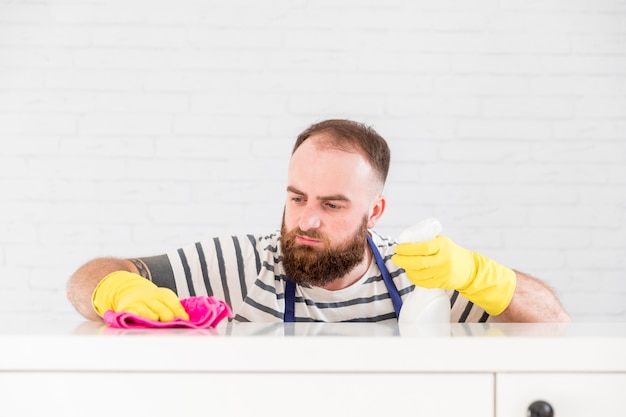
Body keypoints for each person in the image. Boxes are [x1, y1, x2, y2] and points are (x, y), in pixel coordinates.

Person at [66, 119, 570, 324]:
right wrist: (117, 290)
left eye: (332, 204)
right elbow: (83, 280)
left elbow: (553, 321)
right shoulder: (244, 263)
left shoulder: (423, 275)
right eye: (296, 197)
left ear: (375, 213)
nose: (305, 220)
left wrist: (481, 276)